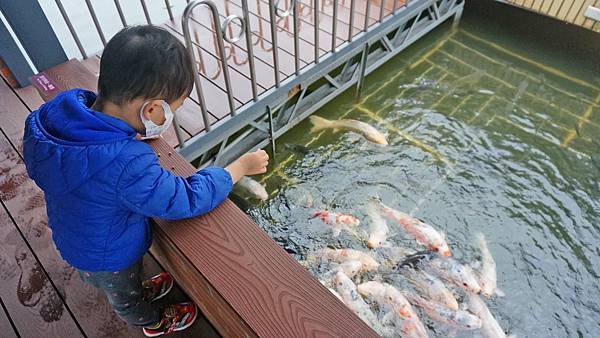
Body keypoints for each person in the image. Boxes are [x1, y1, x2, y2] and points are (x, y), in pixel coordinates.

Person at [22, 25, 268, 337]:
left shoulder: (56, 115)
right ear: (152, 109)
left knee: (126, 281)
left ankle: (137, 289)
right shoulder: (127, 164)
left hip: (78, 237)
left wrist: (125, 131)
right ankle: (150, 321)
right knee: (124, 297)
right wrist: (238, 168)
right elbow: (185, 199)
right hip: (107, 257)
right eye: (172, 111)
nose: (169, 120)